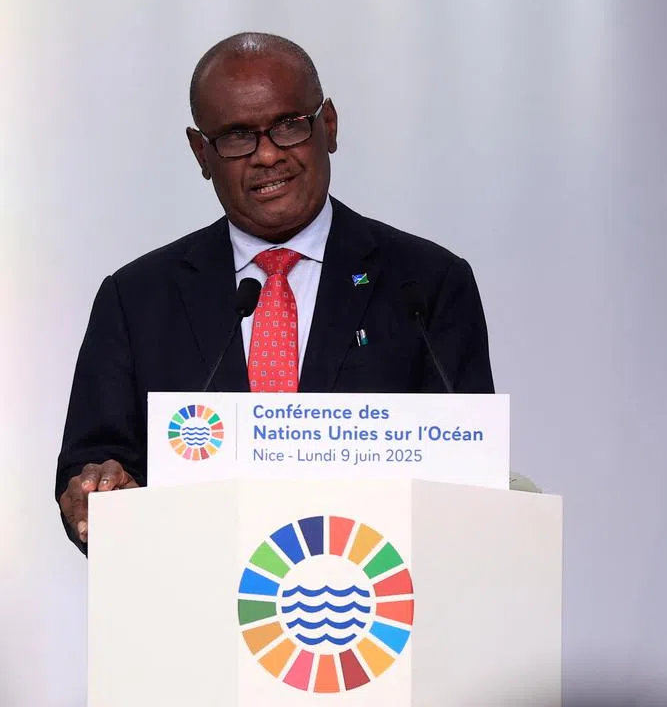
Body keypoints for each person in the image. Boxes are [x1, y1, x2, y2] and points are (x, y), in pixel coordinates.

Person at [54, 32, 495, 552]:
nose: (266, 155)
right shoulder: (135, 299)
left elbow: (469, 478)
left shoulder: (427, 284)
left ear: (327, 125)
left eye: (288, 126)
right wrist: (97, 491)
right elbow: (93, 470)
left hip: (380, 606)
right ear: (201, 152)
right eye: (237, 136)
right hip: (194, 604)